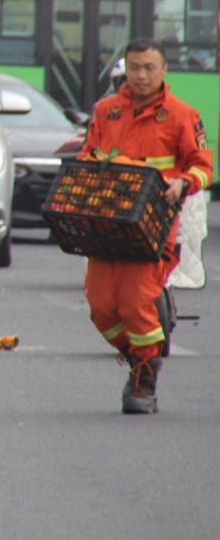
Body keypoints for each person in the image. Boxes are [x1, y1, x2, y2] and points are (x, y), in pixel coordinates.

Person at [79, 37, 211, 413]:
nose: (141, 75)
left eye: (149, 68)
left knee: (136, 303)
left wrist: (183, 183)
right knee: (101, 305)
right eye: (134, 67)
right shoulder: (106, 111)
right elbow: (89, 154)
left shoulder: (182, 115)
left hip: (153, 224)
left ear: (164, 70)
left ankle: (144, 376)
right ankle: (140, 355)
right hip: (109, 221)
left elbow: (203, 166)